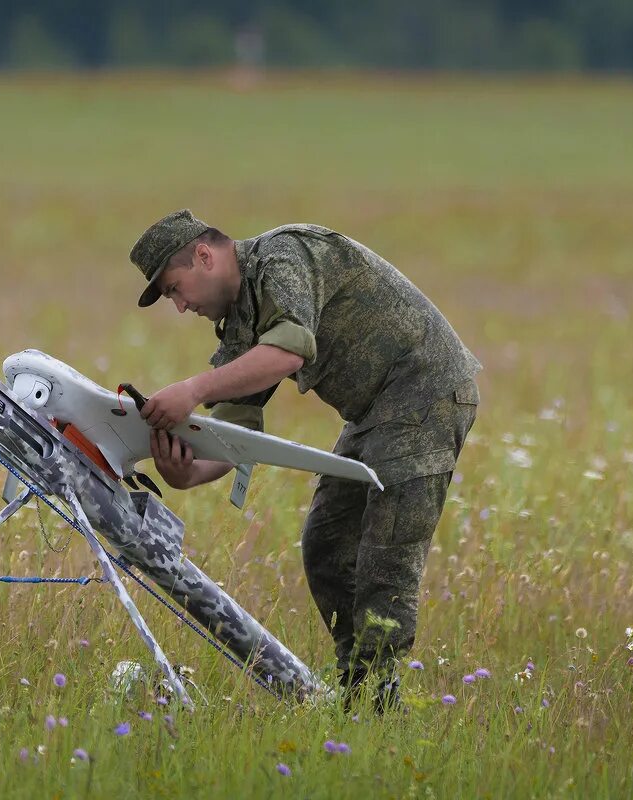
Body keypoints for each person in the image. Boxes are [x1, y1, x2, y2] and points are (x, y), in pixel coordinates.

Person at [128, 209, 480, 710]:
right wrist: (183, 473)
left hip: (424, 392)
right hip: (374, 412)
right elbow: (236, 433)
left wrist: (191, 389)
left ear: (204, 256)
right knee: (327, 544)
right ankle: (359, 691)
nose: (180, 307)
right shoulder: (241, 318)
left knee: (386, 558)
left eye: (175, 289)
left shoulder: (283, 256)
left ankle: (378, 706)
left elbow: (288, 351)